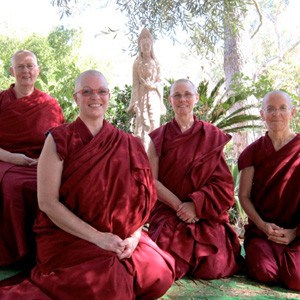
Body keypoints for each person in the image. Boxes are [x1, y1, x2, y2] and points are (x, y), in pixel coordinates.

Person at [0, 70, 175, 299]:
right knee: (106, 283)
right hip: (69, 236)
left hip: (119, 234)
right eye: (87, 91)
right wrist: (98, 238)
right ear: (76, 97)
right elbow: (47, 202)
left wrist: (133, 237)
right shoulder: (58, 140)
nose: (95, 97)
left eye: (101, 91)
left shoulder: (127, 143)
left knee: (160, 271)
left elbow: (141, 200)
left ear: (108, 96)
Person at [147, 78, 242, 280]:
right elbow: (151, 181)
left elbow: (223, 184)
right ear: (170, 100)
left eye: (188, 94)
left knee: (213, 266)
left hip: (204, 211)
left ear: (196, 98)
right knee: (167, 260)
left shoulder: (211, 136)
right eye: (177, 95)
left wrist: (196, 205)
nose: (183, 100)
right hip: (169, 211)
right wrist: (180, 206)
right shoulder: (158, 137)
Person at [0, 50, 65, 266]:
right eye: (20, 66)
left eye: (30, 66)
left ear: (38, 71)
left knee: (55, 187)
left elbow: (60, 142)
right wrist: (12, 157)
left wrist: (45, 162)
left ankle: (48, 249)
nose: (26, 71)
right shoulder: (1, 101)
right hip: (4, 161)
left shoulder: (50, 105)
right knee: (13, 188)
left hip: (40, 163)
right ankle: (17, 256)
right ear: (11, 71)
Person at [238, 90, 300, 291]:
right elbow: (244, 196)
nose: (277, 114)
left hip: (296, 231)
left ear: (292, 112)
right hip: (263, 231)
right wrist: (263, 226)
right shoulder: (253, 152)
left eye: (283, 108)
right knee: (265, 272)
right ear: (262, 114)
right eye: (270, 109)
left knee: (296, 278)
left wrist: (294, 232)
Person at [127, 28, 166, 150]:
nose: (145, 47)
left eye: (148, 44)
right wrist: (134, 102)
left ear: (151, 45)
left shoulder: (156, 62)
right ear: (140, 46)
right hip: (141, 96)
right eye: (143, 44)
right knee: (142, 123)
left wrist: (153, 86)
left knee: (154, 122)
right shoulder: (137, 63)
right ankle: (142, 152)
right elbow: (135, 84)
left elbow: (160, 82)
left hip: (153, 96)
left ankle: (154, 152)